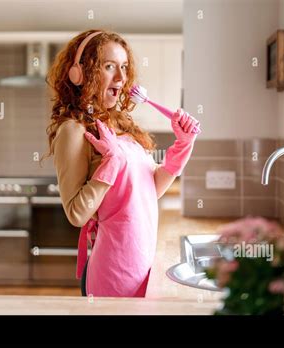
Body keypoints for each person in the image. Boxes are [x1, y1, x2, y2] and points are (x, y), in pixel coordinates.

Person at [44, 29, 198, 297]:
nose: (121, 77)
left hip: (143, 262)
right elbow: (76, 214)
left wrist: (183, 145)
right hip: (113, 272)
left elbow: (147, 191)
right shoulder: (73, 130)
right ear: (80, 74)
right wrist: (111, 163)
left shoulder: (119, 124)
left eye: (124, 67)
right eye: (108, 66)